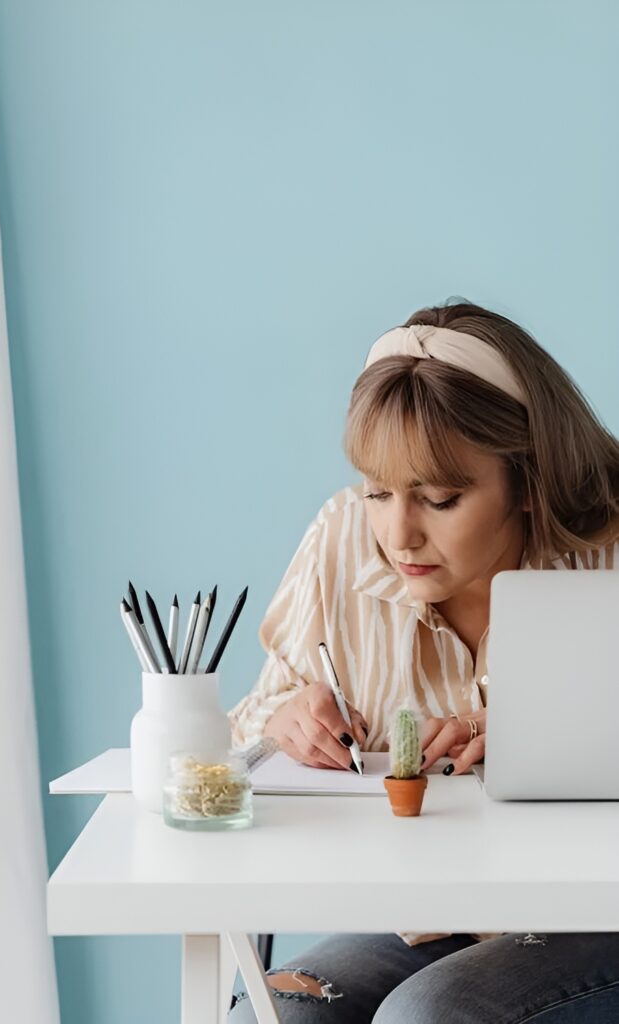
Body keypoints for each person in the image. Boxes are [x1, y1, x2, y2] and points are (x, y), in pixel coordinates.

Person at [227, 299, 619, 1023]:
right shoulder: (340, 540)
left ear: (526, 483)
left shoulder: (608, 554)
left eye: (439, 498)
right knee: (273, 1014)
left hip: (597, 915)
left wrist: (559, 742)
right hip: (432, 916)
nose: (397, 533)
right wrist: (286, 720)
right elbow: (248, 725)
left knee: (427, 1017)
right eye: (377, 491)